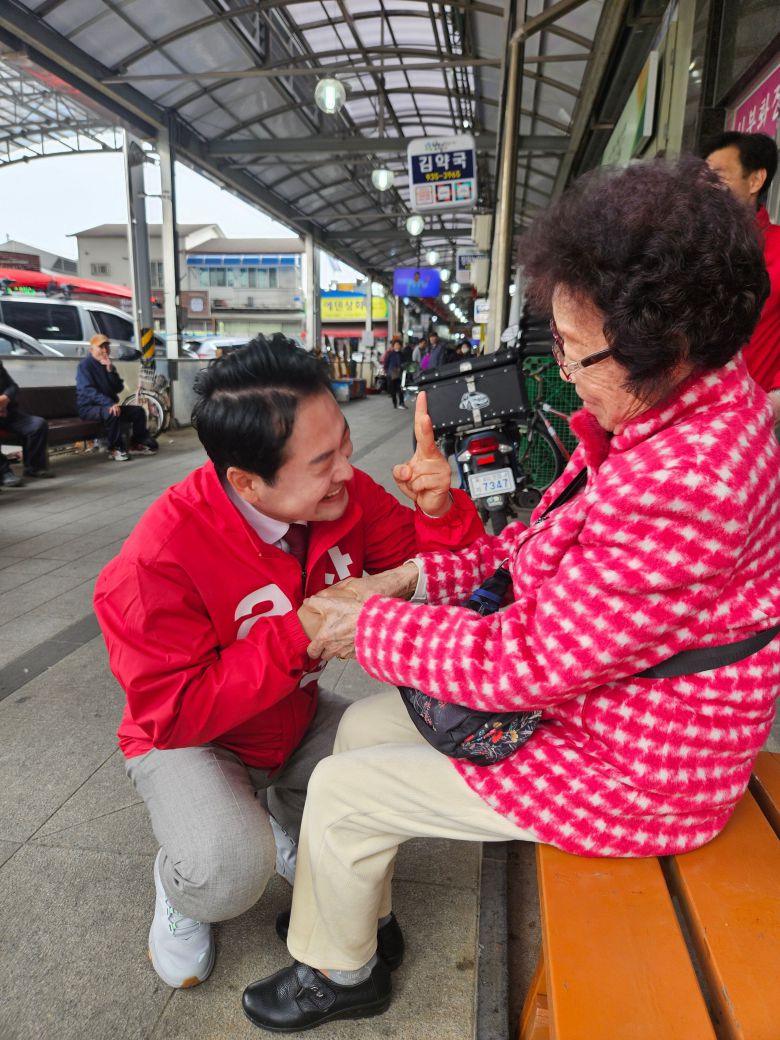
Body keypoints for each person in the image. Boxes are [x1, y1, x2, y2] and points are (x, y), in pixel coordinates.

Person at [241, 157, 780, 1032]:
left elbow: (528, 660)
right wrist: (415, 575)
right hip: (623, 709)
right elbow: (534, 560)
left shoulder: (688, 478)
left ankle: (340, 973)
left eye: (573, 347)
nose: (560, 366)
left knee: (342, 792)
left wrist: (365, 625)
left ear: (664, 346)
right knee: (367, 731)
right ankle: (358, 919)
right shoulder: (672, 403)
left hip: (645, 770)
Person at [93, 335, 483, 991]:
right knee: (225, 874)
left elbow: (449, 573)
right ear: (246, 481)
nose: (349, 471)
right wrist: (297, 634)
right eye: (323, 460)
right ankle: (180, 882)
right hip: (192, 741)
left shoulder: (345, 497)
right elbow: (176, 714)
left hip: (293, 716)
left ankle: (276, 816)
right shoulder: (154, 563)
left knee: (382, 786)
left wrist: (439, 511)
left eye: (345, 445)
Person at [704, 131, 780, 423]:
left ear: (756, 180)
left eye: (720, 175)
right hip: (689, 420)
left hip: (753, 422)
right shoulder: (693, 248)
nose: (709, 186)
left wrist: (774, 402)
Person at [75, 334, 158, 462]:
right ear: (92, 349)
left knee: (138, 411)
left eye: (106, 347)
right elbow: (87, 390)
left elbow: (118, 387)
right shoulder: (85, 365)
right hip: (88, 408)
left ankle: (135, 443)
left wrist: (110, 371)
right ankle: (115, 448)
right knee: (112, 413)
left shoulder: (107, 365)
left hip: (107, 406)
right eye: (100, 347)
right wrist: (108, 403)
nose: (104, 350)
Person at [0, 361, 54, 484]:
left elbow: (13, 386)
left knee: (38, 424)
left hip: (10, 414)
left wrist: (6, 398)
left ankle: (34, 467)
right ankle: (4, 473)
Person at [383, 336, 405, 409]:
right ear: (393, 346)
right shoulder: (390, 354)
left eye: (398, 345)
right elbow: (386, 363)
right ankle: (394, 403)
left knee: (400, 389)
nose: (397, 346)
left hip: (400, 374)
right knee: (393, 390)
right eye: (396, 345)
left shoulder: (402, 354)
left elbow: (404, 363)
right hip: (391, 374)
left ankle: (401, 403)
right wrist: (386, 371)